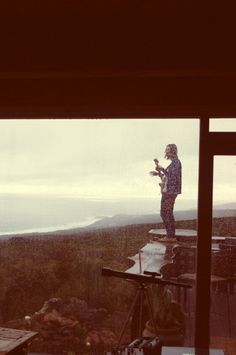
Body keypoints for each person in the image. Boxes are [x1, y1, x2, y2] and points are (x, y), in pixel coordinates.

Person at [150, 144, 182, 242]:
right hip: (169, 191)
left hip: (170, 192)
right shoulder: (174, 163)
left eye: (168, 150)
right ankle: (170, 236)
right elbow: (169, 177)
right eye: (166, 150)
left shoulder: (176, 163)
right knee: (167, 213)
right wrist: (158, 173)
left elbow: (172, 177)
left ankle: (170, 237)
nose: (166, 152)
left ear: (173, 151)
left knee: (165, 213)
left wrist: (162, 169)